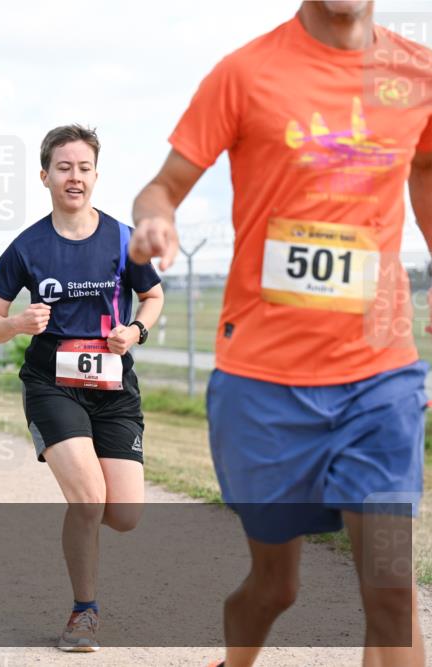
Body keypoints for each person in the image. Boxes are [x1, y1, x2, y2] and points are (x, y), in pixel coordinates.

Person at [128, 3, 431, 666]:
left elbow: (426, 167)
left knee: (390, 591)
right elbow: (163, 187)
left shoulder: (417, 74)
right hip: (264, 382)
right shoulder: (245, 73)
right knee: (275, 586)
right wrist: (154, 222)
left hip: (381, 376)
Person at [0, 124, 164, 650]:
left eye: (83, 168)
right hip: (51, 383)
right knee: (88, 499)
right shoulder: (28, 245)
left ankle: (81, 536)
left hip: (113, 386)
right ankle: (83, 612)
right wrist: (16, 324)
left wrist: (136, 330)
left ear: (96, 175)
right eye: (64, 167)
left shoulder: (123, 238)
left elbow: (152, 296)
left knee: (123, 515)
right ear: (45, 176)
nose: (74, 177)